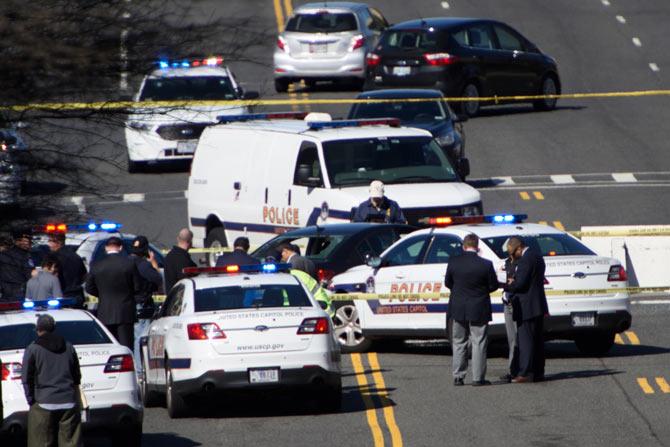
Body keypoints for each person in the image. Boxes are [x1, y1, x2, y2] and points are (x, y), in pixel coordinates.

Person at [445, 234, 499, 386]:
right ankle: (478, 377)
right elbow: (493, 285)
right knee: (479, 342)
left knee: (458, 341)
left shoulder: (454, 262)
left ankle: (458, 376)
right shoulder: (486, 264)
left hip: (458, 306)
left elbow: (448, 282)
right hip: (479, 306)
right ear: (477, 247)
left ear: (463, 246)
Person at [21, 314, 82, 447]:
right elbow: (76, 376)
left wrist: (31, 400)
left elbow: (26, 378)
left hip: (43, 402)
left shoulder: (33, 349)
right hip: (68, 402)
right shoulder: (69, 347)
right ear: (54, 328)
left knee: (40, 442)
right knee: (70, 442)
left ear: (38, 329)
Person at [504, 236, 549, 383]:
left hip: (526, 306)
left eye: (512, 253)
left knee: (526, 341)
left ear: (519, 248)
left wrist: (507, 284)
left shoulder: (525, 259)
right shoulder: (537, 256)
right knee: (537, 340)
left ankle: (525, 372)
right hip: (538, 304)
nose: (512, 257)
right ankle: (538, 371)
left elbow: (520, 284)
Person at [85, 237, 141, 350]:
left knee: (110, 347)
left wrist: (102, 294)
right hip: (125, 311)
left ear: (106, 248)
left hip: (105, 311)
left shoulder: (96, 265)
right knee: (126, 346)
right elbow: (138, 286)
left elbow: (89, 287)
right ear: (120, 248)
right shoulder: (129, 263)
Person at [129, 236, 162, 368]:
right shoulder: (143, 265)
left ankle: (138, 368)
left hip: (127, 305)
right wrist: (153, 263)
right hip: (141, 305)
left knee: (133, 338)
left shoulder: (126, 262)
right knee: (141, 338)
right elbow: (158, 279)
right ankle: (140, 370)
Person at [47, 232, 87, 308]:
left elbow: (51, 276)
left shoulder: (54, 257)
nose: (48, 244)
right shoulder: (76, 256)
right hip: (77, 295)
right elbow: (84, 275)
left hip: (61, 295)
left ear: (58, 242)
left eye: (50, 241)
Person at [499, 240, 519, 383]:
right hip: (507, 302)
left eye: (512, 252)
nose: (510, 255)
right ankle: (513, 371)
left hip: (518, 303)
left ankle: (520, 370)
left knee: (518, 338)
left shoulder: (522, 263)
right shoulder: (506, 263)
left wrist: (513, 281)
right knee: (512, 339)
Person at [0, 229, 35, 301]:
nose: (26, 243)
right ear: (17, 241)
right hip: (19, 292)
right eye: (24, 241)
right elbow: (30, 274)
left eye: (27, 241)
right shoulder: (25, 256)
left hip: (5, 292)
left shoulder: (4, 254)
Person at [164, 228, 196, 292]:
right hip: (182, 297)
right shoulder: (185, 260)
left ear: (178, 239)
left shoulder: (169, 256)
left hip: (171, 298)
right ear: (190, 242)